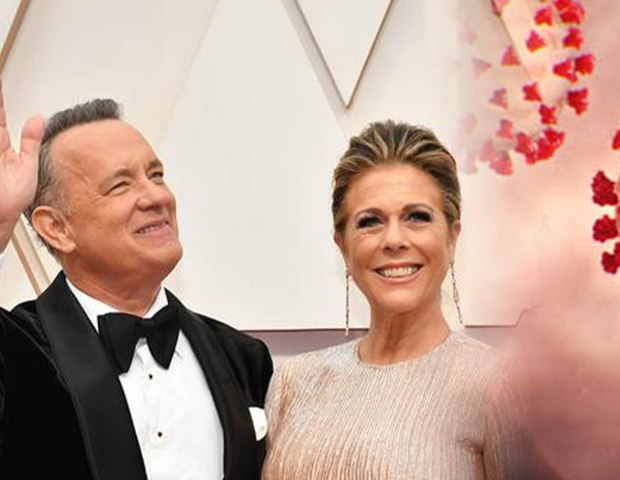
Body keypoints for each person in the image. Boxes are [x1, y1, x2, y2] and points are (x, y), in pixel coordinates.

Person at [0, 86, 273, 480]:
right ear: (57, 228)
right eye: (121, 185)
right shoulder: (16, 353)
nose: (155, 196)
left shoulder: (243, 357)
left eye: (156, 175)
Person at [262, 120, 530, 479]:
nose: (393, 239)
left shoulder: (499, 386)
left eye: (417, 217)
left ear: (452, 237)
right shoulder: (293, 382)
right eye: (370, 221)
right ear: (342, 246)